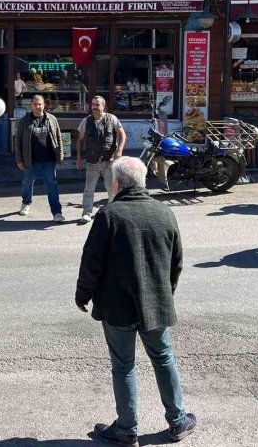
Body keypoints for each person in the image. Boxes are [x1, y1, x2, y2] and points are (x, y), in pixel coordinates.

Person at [75, 157, 197, 444]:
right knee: (163, 359)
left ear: (117, 183)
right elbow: (176, 262)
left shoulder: (109, 215)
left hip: (117, 308)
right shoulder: (164, 213)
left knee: (124, 366)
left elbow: (91, 263)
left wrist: (83, 296)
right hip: (155, 304)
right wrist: (164, 293)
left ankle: (126, 429)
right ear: (142, 182)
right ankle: (177, 421)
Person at [14, 94, 65, 221]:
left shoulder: (51, 119)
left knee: (52, 185)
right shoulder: (24, 121)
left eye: (40, 104)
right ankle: (26, 203)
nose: (38, 106)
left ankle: (57, 213)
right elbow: (18, 142)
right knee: (27, 183)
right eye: (35, 104)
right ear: (31, 106)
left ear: (44, 105)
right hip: (31, 160)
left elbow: (58, 137)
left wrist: (60, 154)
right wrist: (19, 160)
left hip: (49, 160)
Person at [76, 96, 126, 224]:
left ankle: (113, 213)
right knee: (88, 190)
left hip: (109, 160)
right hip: (92, 161)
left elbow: (122, 134)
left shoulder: (112, 118)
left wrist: (119, 149)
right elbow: (80, 140)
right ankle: (86, 213)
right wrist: (79, 157)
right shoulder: (86, 121)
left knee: (112, 189)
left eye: (97, 105)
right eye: (93, 104)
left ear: (103, 106)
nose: (94, 107)